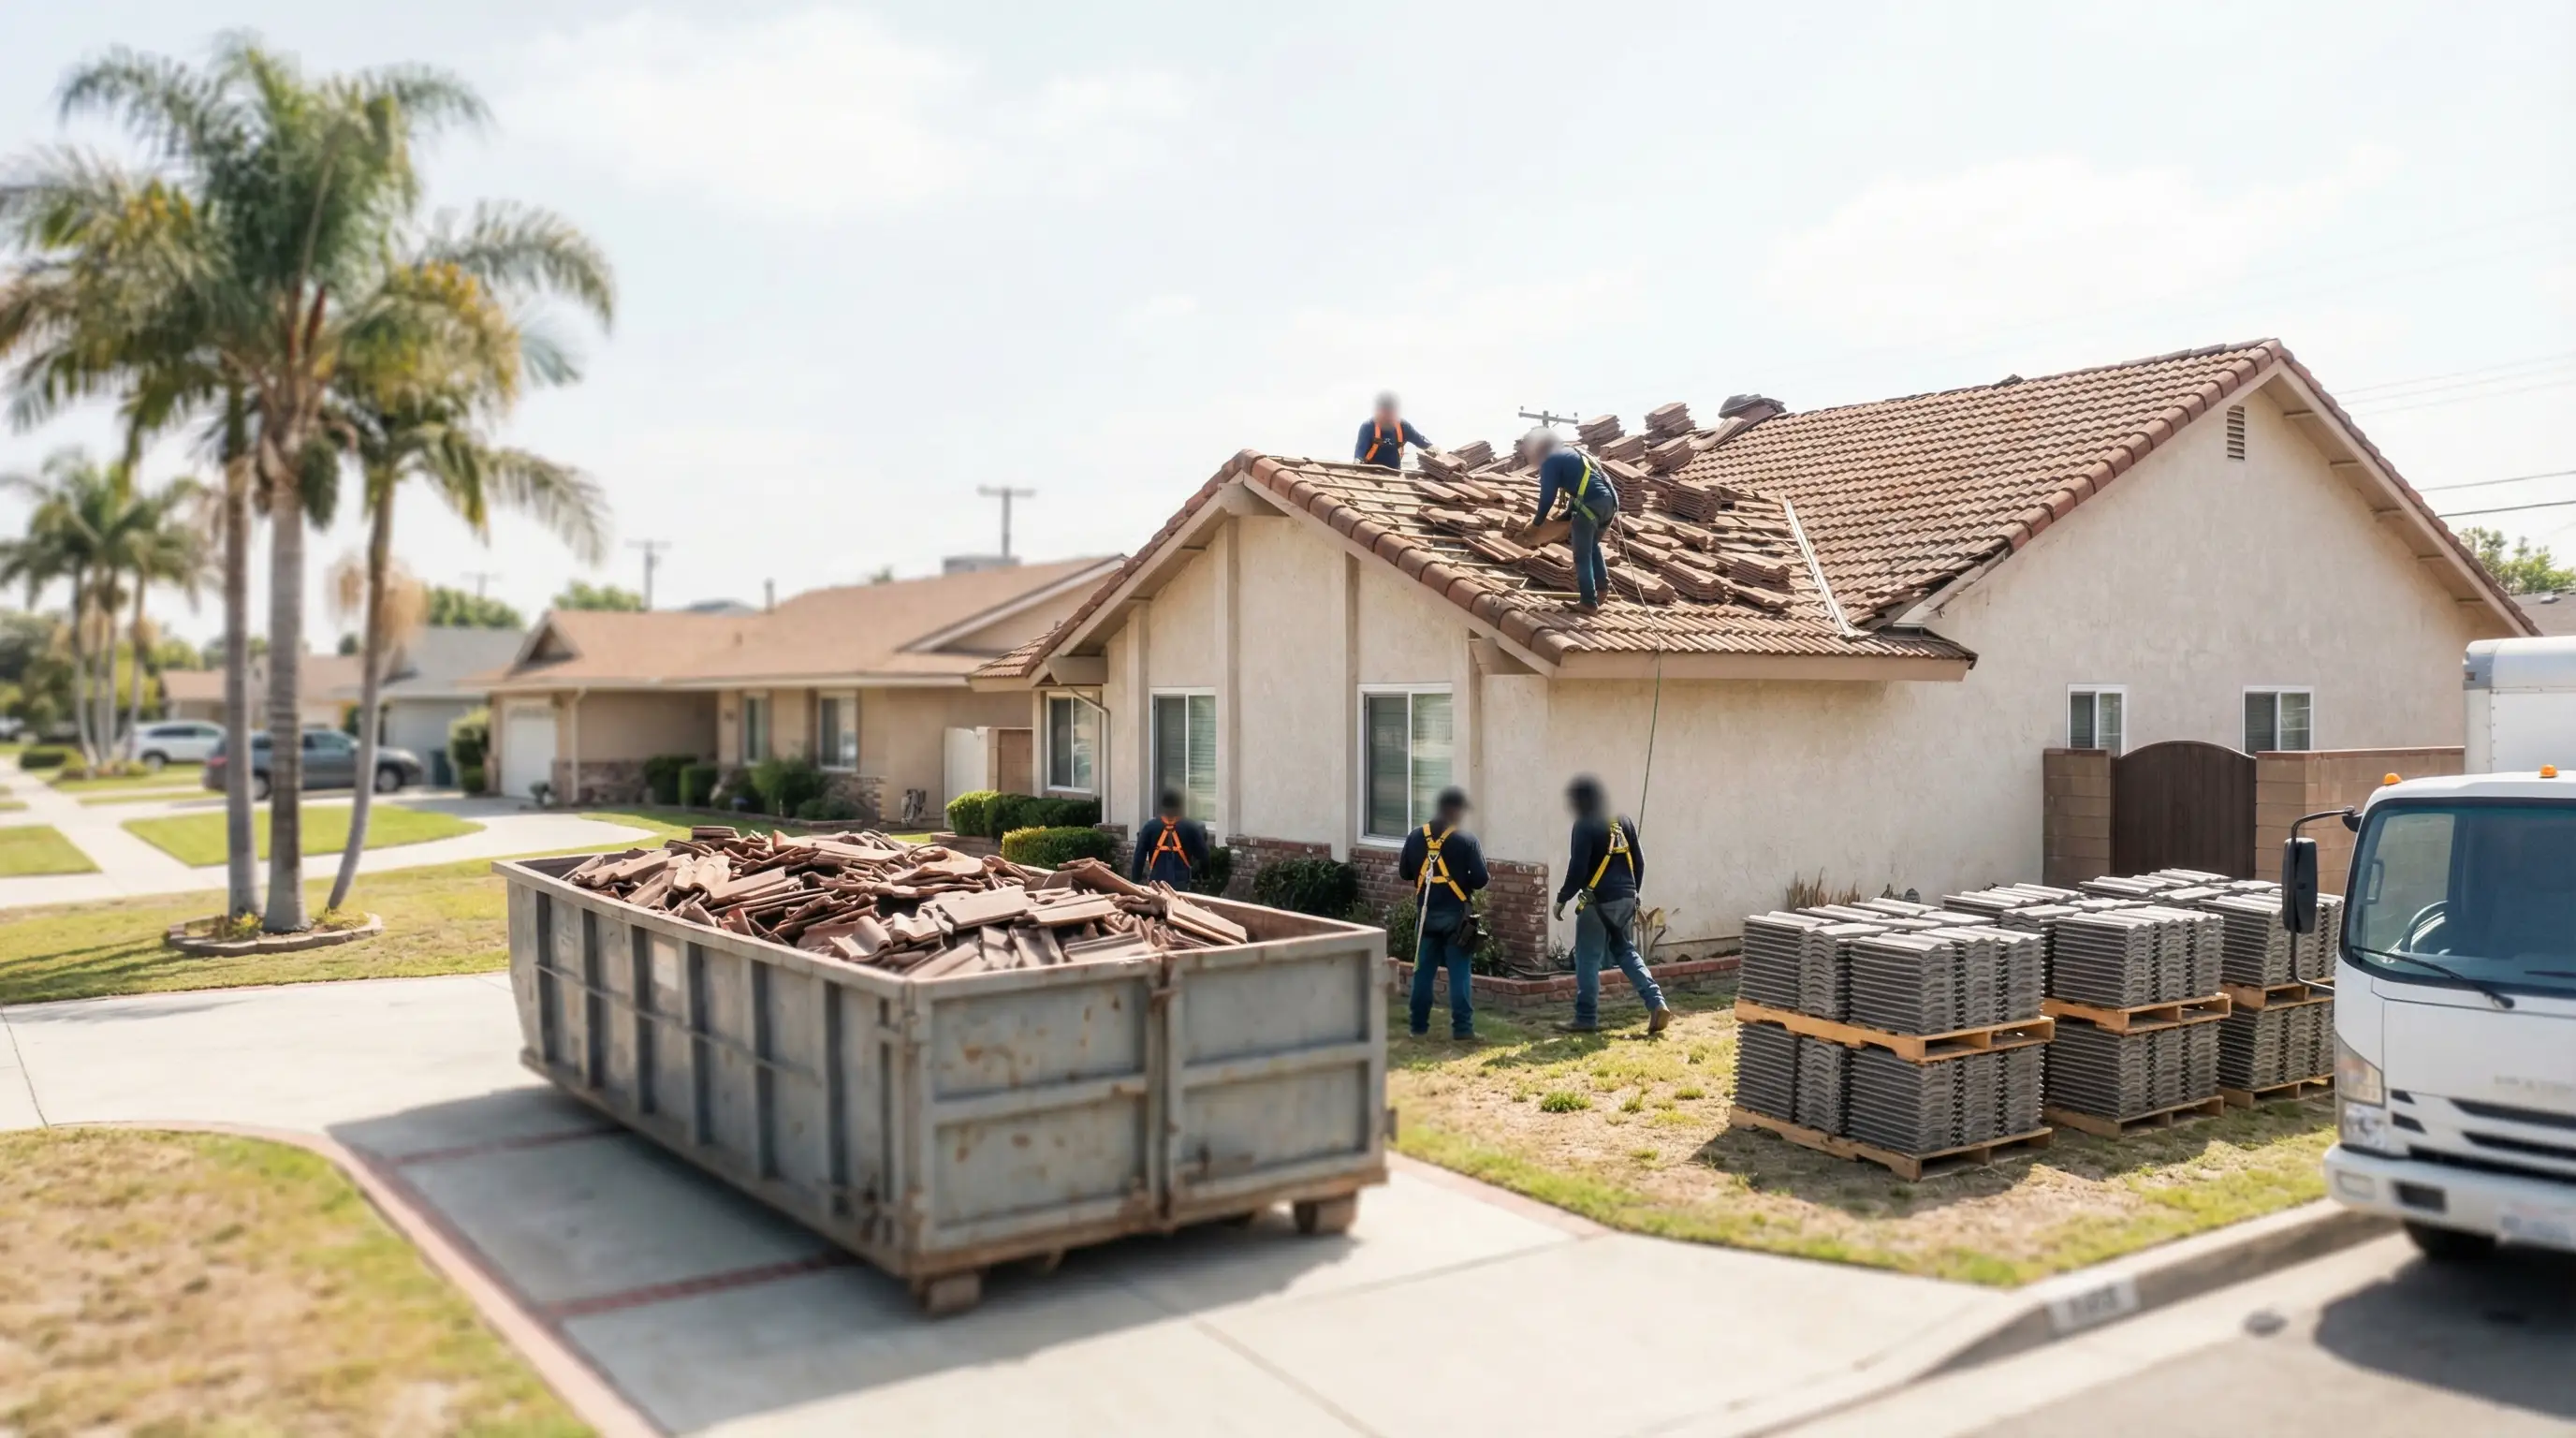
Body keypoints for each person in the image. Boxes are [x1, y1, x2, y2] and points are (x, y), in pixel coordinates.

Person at [1552, 774, 1670, 1034]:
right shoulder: (1623, 821)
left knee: (1587, 958)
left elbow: (1579, 867)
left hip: (1597, 902)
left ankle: (1585, 1018)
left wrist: (1562, 898)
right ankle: (1656, 1002)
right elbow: (1639, 863)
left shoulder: (1584, 824)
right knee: (1626, 951)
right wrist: (1633, 893)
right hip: (1626, 899)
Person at [1398, 785, 1490, 1041]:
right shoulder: (1466, 840)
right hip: (1456, 918)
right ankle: (1463, 1029)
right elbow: (1482, 879)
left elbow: (1405, 873)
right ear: (1454, 810)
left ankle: (1418, 1028)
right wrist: (1461, 881)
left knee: (1423, 974)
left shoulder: (1416, 837)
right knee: (1460, 973)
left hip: (1426, 915)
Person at [1523, 427, 1617, 612]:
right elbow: (1581, 488)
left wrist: (1537, 524)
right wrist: (1564, 517)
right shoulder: (1574, 453)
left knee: (1581, 554)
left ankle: (1588, 602)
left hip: (1591, 504)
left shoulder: (1551, 461)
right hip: (1609, 503)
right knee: (1592, 546)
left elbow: (1547, 497)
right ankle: (1602, 588)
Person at [1130, 788, 1210, 888]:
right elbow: (1204, 856)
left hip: (1157, 885)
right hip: (1182, 885)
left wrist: (1135, 881)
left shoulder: (1149, 827)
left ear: (1162, 807)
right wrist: (1205, 877)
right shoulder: (1191, 827)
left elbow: (1139, 857)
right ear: (1180, 807)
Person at [1354, 391, 1432, 469]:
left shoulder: (1404, 427)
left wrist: (1435, 450)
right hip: (1370, 470)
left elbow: (1422, 443)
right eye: (1384, 412)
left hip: (1395, 472)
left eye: (1391, 412)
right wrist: (1357, 462)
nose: (1387, 416)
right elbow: (1359, 452)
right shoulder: (1368, 427)